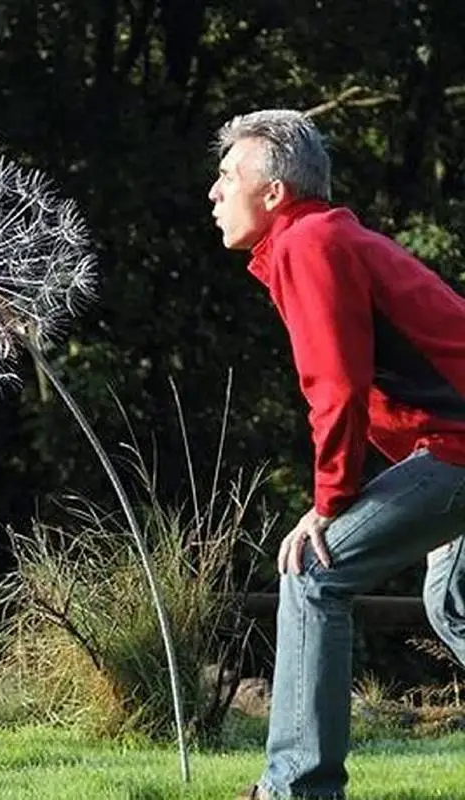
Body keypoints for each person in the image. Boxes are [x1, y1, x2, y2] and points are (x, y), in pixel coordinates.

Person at [208, 109, 465, 799]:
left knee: (315, 573)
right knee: (452, 602)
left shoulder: (311, 243)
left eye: (228, 175)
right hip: (449, 446)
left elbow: (338, 389)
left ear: (274, 192)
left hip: (458, 448)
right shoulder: (329, 237)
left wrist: (329, 505)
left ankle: (297, 789)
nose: (214, 191)